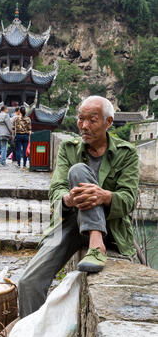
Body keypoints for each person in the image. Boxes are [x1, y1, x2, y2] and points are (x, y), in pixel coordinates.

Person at [18, 95, 139, 319]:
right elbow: (56, 191)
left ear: (108, 122)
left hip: (111, 229)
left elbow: (129, 199)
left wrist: (104, 196)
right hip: (72, 222)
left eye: (92, 120)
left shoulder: (126, 153)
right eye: (81, 119)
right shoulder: (69, 148)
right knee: (28, 282)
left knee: (78, 172)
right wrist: (69, 200)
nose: (84, 125)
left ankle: (96, 241)